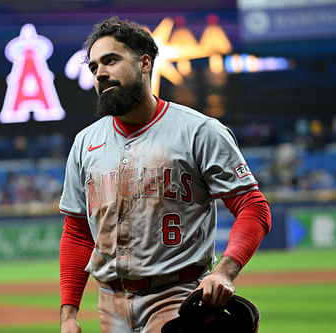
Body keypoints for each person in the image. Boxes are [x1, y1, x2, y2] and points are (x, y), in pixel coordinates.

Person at [59, 16, 272, 333]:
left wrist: (225, 271)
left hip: (176, 298)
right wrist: (68, 315)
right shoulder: (85, 143)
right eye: (93, 67)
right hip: (110, 304)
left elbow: (253, 207)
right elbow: (77, 232)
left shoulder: (199, 131)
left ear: (144, 63)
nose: (100, 73)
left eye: (111, 61)